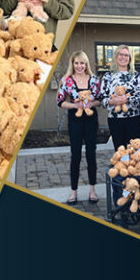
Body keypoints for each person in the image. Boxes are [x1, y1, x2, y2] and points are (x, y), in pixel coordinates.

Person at [55, 51, 102, 205]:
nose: (80, 66)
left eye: (82, 63)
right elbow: (60, 101)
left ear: (86, 64)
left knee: (91, 154)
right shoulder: (67, 81)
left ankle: (92, 190)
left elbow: (100, 99)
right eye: (77, 63)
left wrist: (91, 103)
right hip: (74, 120)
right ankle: (73, 192)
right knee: (75, 155)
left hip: (90, 120)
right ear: (72, 64)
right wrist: (75, 105)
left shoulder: (94, 80)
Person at [99, 45, 140, 150]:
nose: (123, 57)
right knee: (120, 150)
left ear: (130, 59)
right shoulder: (108, 76)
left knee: (134, 151)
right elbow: (102, 98)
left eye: (126, 55)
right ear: (116, 56)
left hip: (133, 119)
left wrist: (127, 99)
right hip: (115, 120)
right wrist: (112, 101)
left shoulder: (137, 76)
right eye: (121, 54)